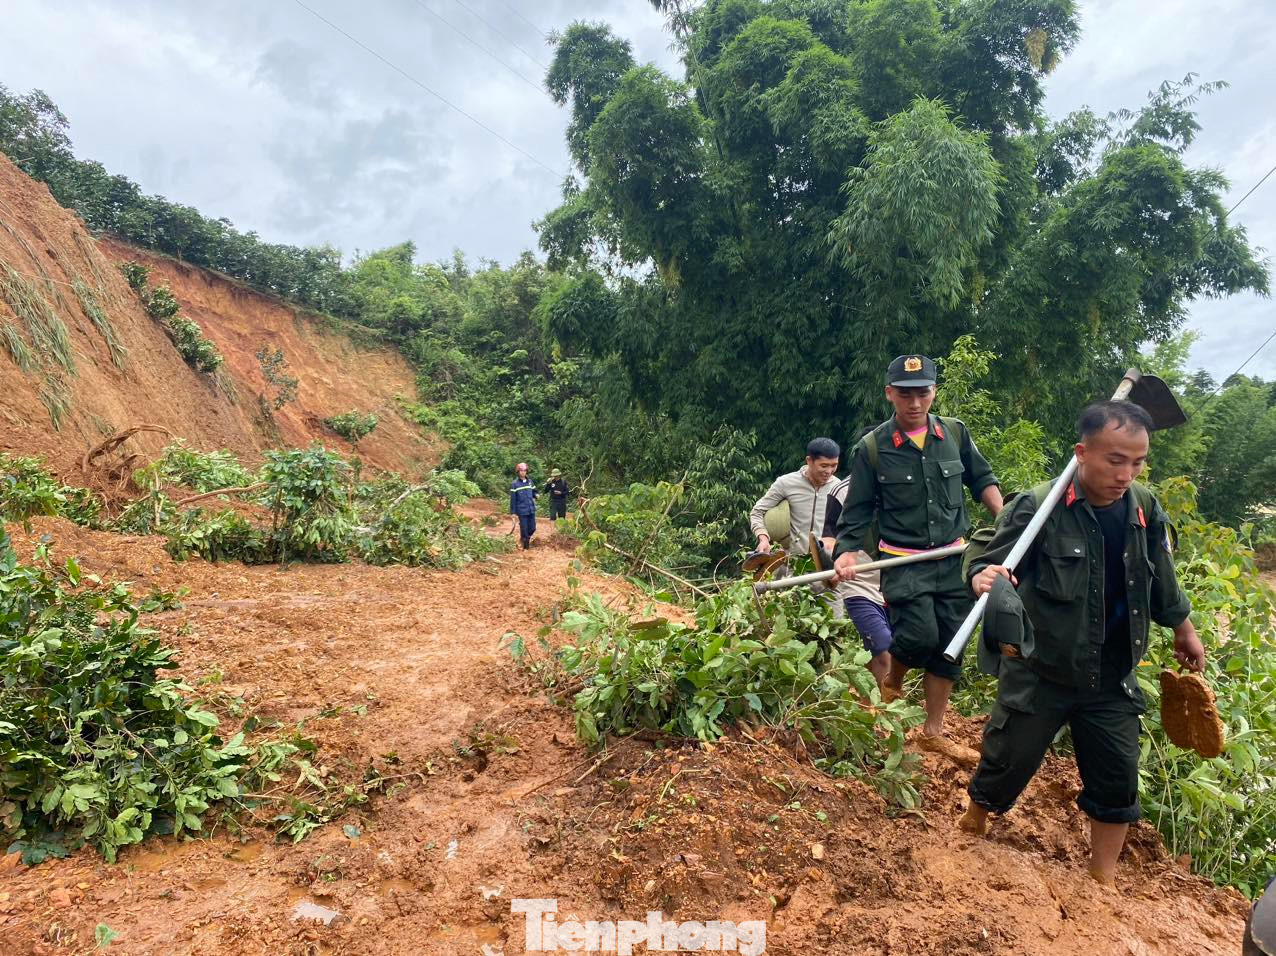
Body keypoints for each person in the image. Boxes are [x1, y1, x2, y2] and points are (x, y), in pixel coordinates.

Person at [958, 401, 1205, 886]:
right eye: (1115, 460)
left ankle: (1102, 881)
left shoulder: (1144, 507)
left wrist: (1184, 627)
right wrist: (981, 576)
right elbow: (985, 559)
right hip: (1042, 668)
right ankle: (975, 822)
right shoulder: (1039, 506)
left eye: (1137, 462)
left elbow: (1162, 576)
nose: (1125, 474)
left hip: (1111, 674)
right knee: (1008, 758)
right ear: (1082, 453)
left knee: (1117, 775)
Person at [833, 355, 1003, 738]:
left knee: (950, 645)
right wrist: (845, 552)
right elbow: (857, 510)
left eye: (922, 393)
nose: (915, 403)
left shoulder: (955, 435)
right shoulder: (872, 448)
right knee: (919, 635)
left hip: (954, 559)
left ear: (934, 393)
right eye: (906, 394)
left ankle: (933, 730)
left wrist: (1005, 518)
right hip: (903, 561)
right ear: (889, 394)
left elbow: (983, 480)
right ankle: (894, 677)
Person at [822, 428, 892, 690]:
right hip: (859, 584)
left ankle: (868, 695)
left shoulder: (905, 484)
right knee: (883, 647)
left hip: (897, 581)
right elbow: (829, 536)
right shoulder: (843, 491)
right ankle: (876, 708)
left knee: (897, 652)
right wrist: (835, 558)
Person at [749, 437, 841, 559]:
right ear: (809, 461)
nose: (829, 471)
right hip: (790, 563)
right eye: (824, 466)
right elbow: (757, 512)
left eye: (834, 465)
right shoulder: (786, 483)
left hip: (827, 564)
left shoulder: (838, 487)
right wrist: (763, 538)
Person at [510, 462, 538, 549]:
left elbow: (535, 491)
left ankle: (524, 539)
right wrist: (513, 512)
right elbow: (513, 499)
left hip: (531, 509)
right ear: (518, 472)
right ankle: (525, 547)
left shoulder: (530, 482)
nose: (523, 472)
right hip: (522, 511)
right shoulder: (515, 484)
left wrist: (536, 495)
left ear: (526, 471)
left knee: (532, 528)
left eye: (524, 470)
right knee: (524, 529)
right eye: (521, 471)